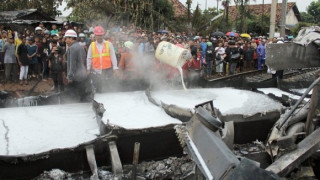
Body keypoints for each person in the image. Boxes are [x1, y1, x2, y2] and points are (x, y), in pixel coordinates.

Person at [86, 26, 119, 92]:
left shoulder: (109, 44)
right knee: (98, 89)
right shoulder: (91, 45)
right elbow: (89, 58)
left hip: (107, 71)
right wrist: (88, 69)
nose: (99, 37)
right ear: (95, 36)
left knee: (107, 88)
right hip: (96, 71)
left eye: (101, 35)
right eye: (98, 35)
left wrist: (115, 68)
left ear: (103, 35)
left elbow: (113, 56)